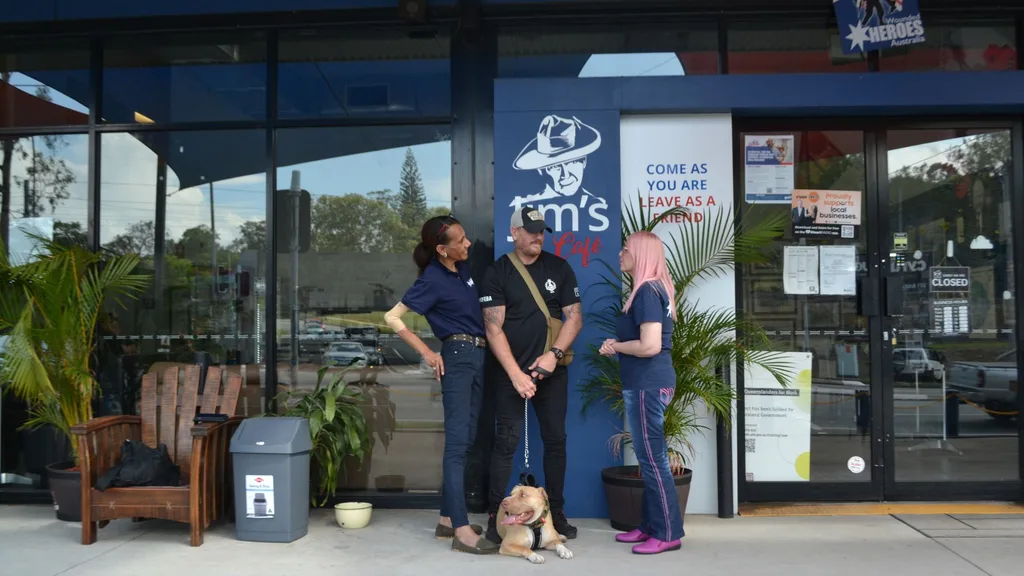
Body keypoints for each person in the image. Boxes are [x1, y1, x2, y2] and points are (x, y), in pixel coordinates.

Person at [383, 214, 498, 555]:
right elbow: (392, 317)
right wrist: (428, 353)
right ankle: (462, 530)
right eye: (460, 241)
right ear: (442, 250)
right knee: (458, 445)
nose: (467, 244)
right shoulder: (432, 278)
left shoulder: (460, 271)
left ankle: (447, 520)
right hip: (458, 356)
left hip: (477, 355)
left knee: (468, 439)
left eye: (465, 238)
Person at [479, 206, 583, 544]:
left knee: (556, 442)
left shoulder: (559, 267)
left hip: (552, 374)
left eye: (541, 230)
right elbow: (493, 329)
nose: (538, 235)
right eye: (530, 230)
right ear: (514, 232)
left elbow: (574, 318)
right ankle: (497, 515)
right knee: (505, 444)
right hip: (509, 375)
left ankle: (557, 513)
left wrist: (553, 356)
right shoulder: (497, 273)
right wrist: (515, 374)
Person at [599, 230, 684, 555]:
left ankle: (667, 533)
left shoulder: (648, 291)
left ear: (640, 255)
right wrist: (619, 347)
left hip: (648, 383)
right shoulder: (650, 289)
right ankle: (650, 525)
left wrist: (616, 346)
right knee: (650, 458)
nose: (620, 254)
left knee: (653, 460)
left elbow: (649, 346)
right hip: (646, 382)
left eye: (626, 249)